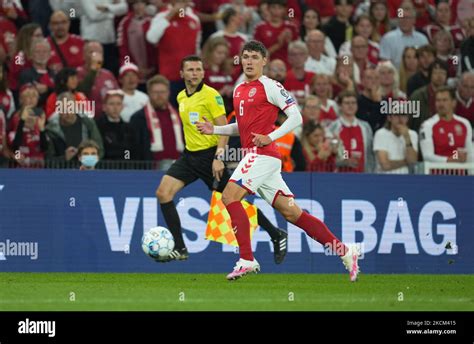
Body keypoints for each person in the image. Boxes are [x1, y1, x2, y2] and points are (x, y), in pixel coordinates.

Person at [196, 41, 361, 281]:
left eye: (254, 57)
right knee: (292, 214)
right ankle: (345, 251)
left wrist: (270, 136)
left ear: (264, 61)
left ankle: (246, 259)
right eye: (245, 57)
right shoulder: (239, 89)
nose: (249, 61)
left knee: (229, 196)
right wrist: (215, 130)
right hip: (258, 158)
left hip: (262, 155)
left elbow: (297, 117)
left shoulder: (271, 86)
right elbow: (241, 128)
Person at [156, 55, 288, 264]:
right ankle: (180, 248)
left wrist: (219, 157)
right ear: (181, 74)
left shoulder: (211, 96)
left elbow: (223, 128)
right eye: (190, 70)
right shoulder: (181, 96)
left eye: (198, 69)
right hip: (189, 156)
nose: (195, 73)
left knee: (233, 200)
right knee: (163, 193)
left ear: (203, 73)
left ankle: (275, 233)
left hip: (209, 156)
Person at [420, 86, 473, 164]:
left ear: (454, 103)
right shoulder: (427, 125)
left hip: (459, 174)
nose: (441, 104)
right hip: (436, 174)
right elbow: (427, 156)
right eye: (438, 100)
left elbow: (470, 154)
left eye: (444, 100)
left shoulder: (464, 124)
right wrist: (449, 160)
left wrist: (471, 174)